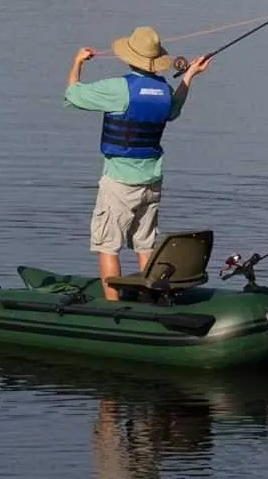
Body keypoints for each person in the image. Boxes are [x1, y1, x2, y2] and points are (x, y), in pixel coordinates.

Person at [64, 26, 211, 301]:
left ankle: (113, 310)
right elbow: (174, 110)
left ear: (130, 57)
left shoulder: (119, 88)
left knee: (107, 245)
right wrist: (189, 76)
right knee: (145, 244)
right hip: (152, 181)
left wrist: (77, 62)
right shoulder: (165, 91)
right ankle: (151, 301)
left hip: (119, 181)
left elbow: (72, 95)